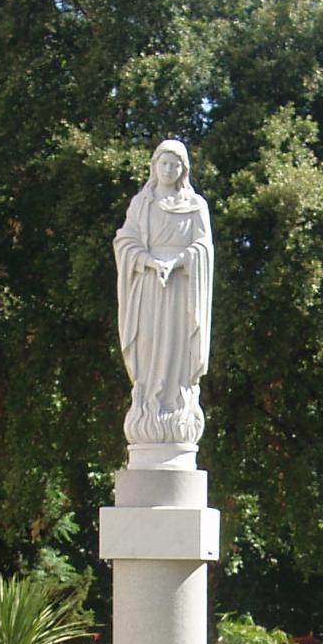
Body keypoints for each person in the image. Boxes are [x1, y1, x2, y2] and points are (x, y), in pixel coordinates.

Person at [113, 139, 214, 449]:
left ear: (184, 169)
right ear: (154, 166)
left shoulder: (196, 205)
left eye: (175, 165)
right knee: (149, 345)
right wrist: (149, 262)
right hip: (149, 286)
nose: (169, 169)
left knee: (177, 349)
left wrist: (180, 261)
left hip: (182, 288)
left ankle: (176, 410)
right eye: (164, 163)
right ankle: (147, 407)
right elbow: (125, 241)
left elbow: (203, 247)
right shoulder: (141, 204)